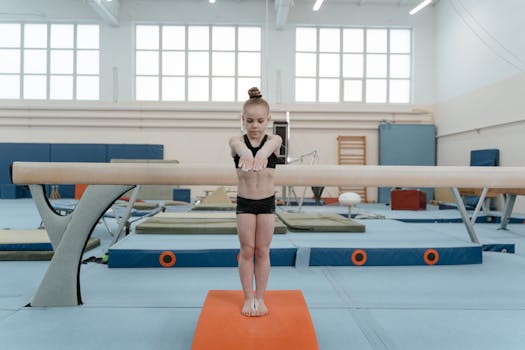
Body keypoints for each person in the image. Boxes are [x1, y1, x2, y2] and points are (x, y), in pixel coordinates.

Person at [229, 87, 282, 317]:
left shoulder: (275, 140)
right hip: (246, 203)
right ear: (243, 120)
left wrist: (261, 154)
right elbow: (238, 147)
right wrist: (246, 153)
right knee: (247, 250)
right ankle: (248, 297)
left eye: (260, 121)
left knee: (263, 250)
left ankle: (260, 298)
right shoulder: (235, 141)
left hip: (267, 202)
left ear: (268, 120)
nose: (255, 126)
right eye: (249, 121)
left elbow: (271, 146)